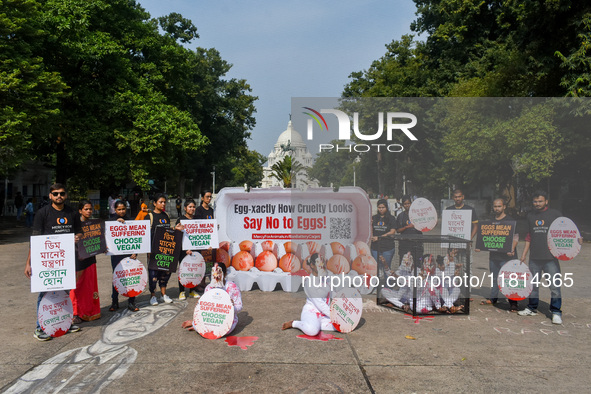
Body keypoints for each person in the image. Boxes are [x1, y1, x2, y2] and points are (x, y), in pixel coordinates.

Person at [24, 183, 82, 341]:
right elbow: (35, 240)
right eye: (55, 193)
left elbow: (79, 231)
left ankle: (65, 323)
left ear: (66, 195)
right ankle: (39, 327)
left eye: (62, 193)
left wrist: (78, 237)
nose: (59, 196)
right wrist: (29, 262)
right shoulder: (42, 213)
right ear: (50, 196)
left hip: (66, 261)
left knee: (64, 293)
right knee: (45, 294)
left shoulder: (72, 213)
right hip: (46, 262)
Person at [518, 191, 564, 324]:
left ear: (546, 201)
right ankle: (532, 308)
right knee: (533, 286)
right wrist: (524, 254)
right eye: (535, 201)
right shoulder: (530, 216)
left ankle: (556, 312)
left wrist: (575, 241)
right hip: (535, 258)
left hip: (551, 258)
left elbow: (565, 231)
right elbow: (528, 236)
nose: (537, 204)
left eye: (540, 201)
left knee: (554, 287)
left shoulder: (555, 214)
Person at [476, 198, 519, 311]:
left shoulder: (510, 220)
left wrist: (512, 248)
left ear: (504, 207)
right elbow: (486, 235)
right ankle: (493, 298)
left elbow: (516, 237)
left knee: (509, 280)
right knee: (494, 278)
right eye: (495, 206)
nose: (497, 208)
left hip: (507, 257)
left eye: (499, 206)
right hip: (494, 256)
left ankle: (513, 302)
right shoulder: (490, 221)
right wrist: (480, 245)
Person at [281, 253, 336, 336]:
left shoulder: (326, 277)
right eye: (318, 262)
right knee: (312, 331)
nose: (321, 265)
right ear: (312, 265)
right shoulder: (309, 282)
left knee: (343, 326)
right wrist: (335, 316)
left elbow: (332, 293)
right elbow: (320, 304)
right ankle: (295, 323)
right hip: (312, 312)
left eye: (323, 262)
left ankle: (316, 324)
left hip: (325, 314)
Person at [181, 262, 242, 335]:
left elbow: (239, 306)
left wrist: (231, 307)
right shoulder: (209, 288)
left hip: (227, 320)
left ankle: (195, 324)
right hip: (211, 319)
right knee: (199, 328)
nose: (216, 276)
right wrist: (200, 305)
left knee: (222, 332)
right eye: (213, 273)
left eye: (219, 273)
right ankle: (194, 323)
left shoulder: (232, 287)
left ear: (225, 274)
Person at [70, 200, 102, 323]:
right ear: (80, 210)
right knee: (77, 287)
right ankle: (75, 313)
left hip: (90, 259)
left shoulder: (94, 224)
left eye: (90, 209)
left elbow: (100, 240)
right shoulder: (75, 225)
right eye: (86, 209)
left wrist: (103, 247)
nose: (89, 211)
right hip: (78, 258)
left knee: (89, 287)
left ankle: (90, 311)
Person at [147, 193, 181, 306]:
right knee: (153, 275)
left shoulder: (165, 215)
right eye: (160, 202)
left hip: (165, 250)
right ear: (155, 203)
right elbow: (145, 234)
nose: (163, 204)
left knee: (165, 273)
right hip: (153, 251)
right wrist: (148, 250)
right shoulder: (150, 216)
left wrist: (175, 229)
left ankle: (163, 295)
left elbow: (168, 231)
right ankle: (153, 296)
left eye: (164, 202)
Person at [109, 200, 139, 312]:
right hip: (116, 255)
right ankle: (115, 302)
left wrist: (135, 252)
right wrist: (116, 224)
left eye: (123, 209)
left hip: (130, 255)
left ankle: (131, 302)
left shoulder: (131, 221)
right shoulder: (111, 222)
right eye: (119, 209)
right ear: (115, 210)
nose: (121, 211)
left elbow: (137, 239)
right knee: (117, 277)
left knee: (131, 278)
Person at [176, 199, 200, 300]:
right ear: (185, 208)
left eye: (193, 207)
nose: (192, 209)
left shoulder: (197, 219)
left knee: (194, 270)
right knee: (183, 270)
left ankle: (192, 290)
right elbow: (176, 236)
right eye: (190, 207)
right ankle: (181, 291)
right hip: (182, 251)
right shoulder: (180, 220)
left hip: (194, 250)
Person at [370, 199, 396, 274]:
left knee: (386, 267)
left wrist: (379, 237)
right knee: (376, 267)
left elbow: (392, 231)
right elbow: (370, 230)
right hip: (375, 248)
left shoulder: (391, 218)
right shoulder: (374, 218)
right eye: (379, 207)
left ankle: (387, 285)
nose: (381, 209)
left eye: (383, 207)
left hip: (387, 248)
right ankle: (376, 285)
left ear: (386, 208)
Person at [396, 195, 423, 264]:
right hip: (404, 244)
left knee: (417, 263)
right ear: (402, 205)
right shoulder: (400, 216)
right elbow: (398, 230)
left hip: (417, 244)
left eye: (408, 203)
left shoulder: (418, 214)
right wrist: (406, 227)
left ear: (411, 203)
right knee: (404, 264)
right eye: (405, 204)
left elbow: (424, 227)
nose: (407, 205)